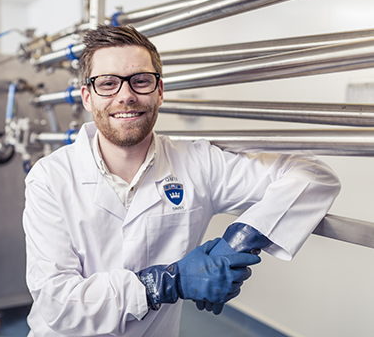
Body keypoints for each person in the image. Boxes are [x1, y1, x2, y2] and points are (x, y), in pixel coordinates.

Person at [22, 24, 341, 337]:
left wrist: (239, 242)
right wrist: (165, 283)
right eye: (108, 84)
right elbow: (57, 303)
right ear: (87, 97)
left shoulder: (198, 162)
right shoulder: (50, 178)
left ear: (159, 91)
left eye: (140, 81)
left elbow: (314, 176)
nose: (126, 96)